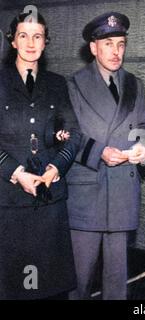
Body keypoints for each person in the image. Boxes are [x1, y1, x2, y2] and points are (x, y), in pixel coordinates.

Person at [66, 12, 145, 300]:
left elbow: (142, 127)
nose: (116, 52)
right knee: (79, 279)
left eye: (121, 44)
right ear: (93, 47)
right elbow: (65, 136)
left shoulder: (135, 85)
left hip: (123, 192)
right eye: (108, 44)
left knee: (117, 282)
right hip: (88, 192)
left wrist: (143, 147)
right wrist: (99, 152)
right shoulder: (73, 85)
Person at [0, 11, 81, 299]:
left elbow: (74, 134)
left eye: (38, 36)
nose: (31, 43)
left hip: (50, 203)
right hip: (9, 204)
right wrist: (16, 172)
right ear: (12, 41)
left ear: (46, 42)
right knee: (14, 289)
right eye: (23, 35)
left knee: (50, 289)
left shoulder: (58, 85)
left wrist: (56, 167)